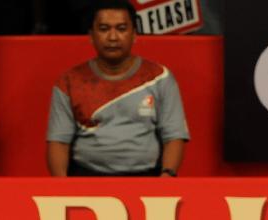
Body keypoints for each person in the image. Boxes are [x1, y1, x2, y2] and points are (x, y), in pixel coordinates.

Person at [46, 0, 190, 176]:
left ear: (134, 34)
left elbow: (174, 136)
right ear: (91, 35)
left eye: (121, 29)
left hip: (147, 178)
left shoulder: (160, 77)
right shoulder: (69, 81)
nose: (113, 37)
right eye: (104, 29)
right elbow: (59, 141)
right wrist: (61, 188)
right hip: (86, 178)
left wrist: (167, 176)